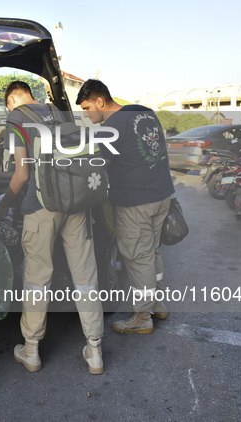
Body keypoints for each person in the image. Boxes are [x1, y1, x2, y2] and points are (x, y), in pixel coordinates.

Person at [0, 81, 105, 375]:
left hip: (40, 206)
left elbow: (21, 173)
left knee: (37, 277)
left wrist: (3, 205)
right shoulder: (59, 113)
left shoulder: (16, 117)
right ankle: (94, 350)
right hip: (77, 202)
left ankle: (31, 350)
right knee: (86, 275)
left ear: (13, 99)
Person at [75, 79, 175, 334]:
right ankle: (158, 304)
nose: (87, 115)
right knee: (153, 252)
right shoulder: (143, 112)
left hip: (135, 202)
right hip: (162, 195)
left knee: (137, 257)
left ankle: (142, 316)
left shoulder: (111, 126)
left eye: (87, 108)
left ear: (100, 101)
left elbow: (99, 164)